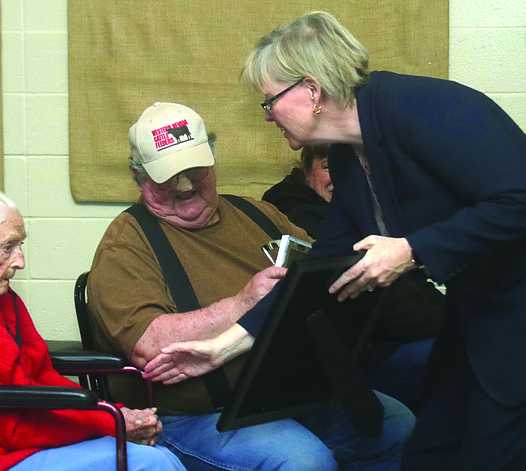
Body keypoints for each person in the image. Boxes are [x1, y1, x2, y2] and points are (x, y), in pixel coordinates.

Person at [147, 11, 526, 471]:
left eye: (268, 102)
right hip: (477, 313)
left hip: (511, 318)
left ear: (312, 90)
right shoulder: (349, 159)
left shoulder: (426, 107)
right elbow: (324, 267)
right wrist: (222, 345)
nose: (267, 117)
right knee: (429, 452)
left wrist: (412, 249)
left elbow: (518, 199)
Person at [88, 101, 415, 471]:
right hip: (197, 415)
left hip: (290, 395)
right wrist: (245, 302)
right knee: (304, 462)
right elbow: (151, 346)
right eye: (168, 175)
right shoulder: (127, 243)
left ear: (211, 159)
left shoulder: (257, 213)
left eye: (194, 169)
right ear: (139, 177)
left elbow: (319, 273)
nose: (184, 185)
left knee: (398, 426)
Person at [0, 182, 187, 471]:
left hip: (19, 440)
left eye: (20, 245)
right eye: (7, 247)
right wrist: (110, 421)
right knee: (151, 464)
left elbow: (40, 374)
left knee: (162, 457)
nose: (21, 261)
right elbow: (10, 422)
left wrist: (113, 415)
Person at [263, 145, 445, 411]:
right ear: (305, 169)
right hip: (366, 354)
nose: (340, 178)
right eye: (327, 166)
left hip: (401, 334)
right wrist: (452, 319)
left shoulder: (368, 213)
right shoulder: (299, 217)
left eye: (355, 170)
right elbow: (384, 303)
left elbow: (414, 282)